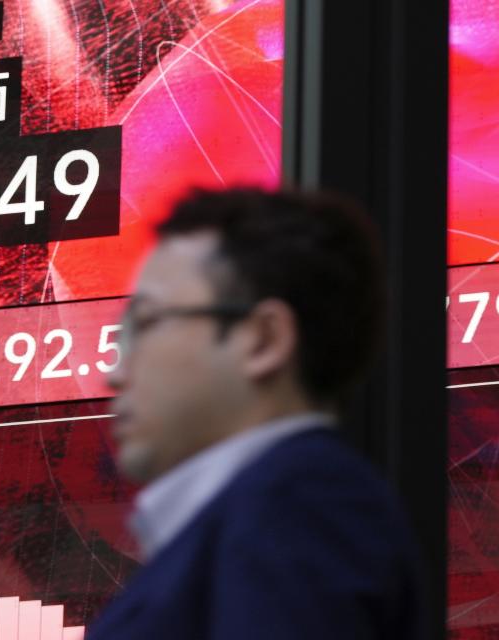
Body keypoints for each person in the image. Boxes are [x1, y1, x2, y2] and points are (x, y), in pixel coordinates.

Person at [86, 188, 425, 639]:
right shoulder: (278, 514)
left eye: (144, 324)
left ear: (264, 340)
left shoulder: (299, 511)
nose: (114, 372)